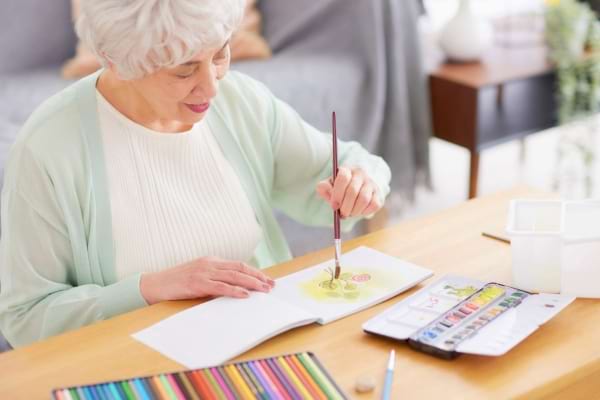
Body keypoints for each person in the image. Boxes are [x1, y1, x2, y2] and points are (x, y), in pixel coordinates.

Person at [0, 0, 391, 348]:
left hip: (263, 344)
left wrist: (360, 181)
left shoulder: (241, 101)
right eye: (184, 70)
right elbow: (26, 317)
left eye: (220, 56)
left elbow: (337, 167)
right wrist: (151, 288)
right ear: (116, 60)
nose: (212, 87)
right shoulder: (48, 149)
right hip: (127, 365)